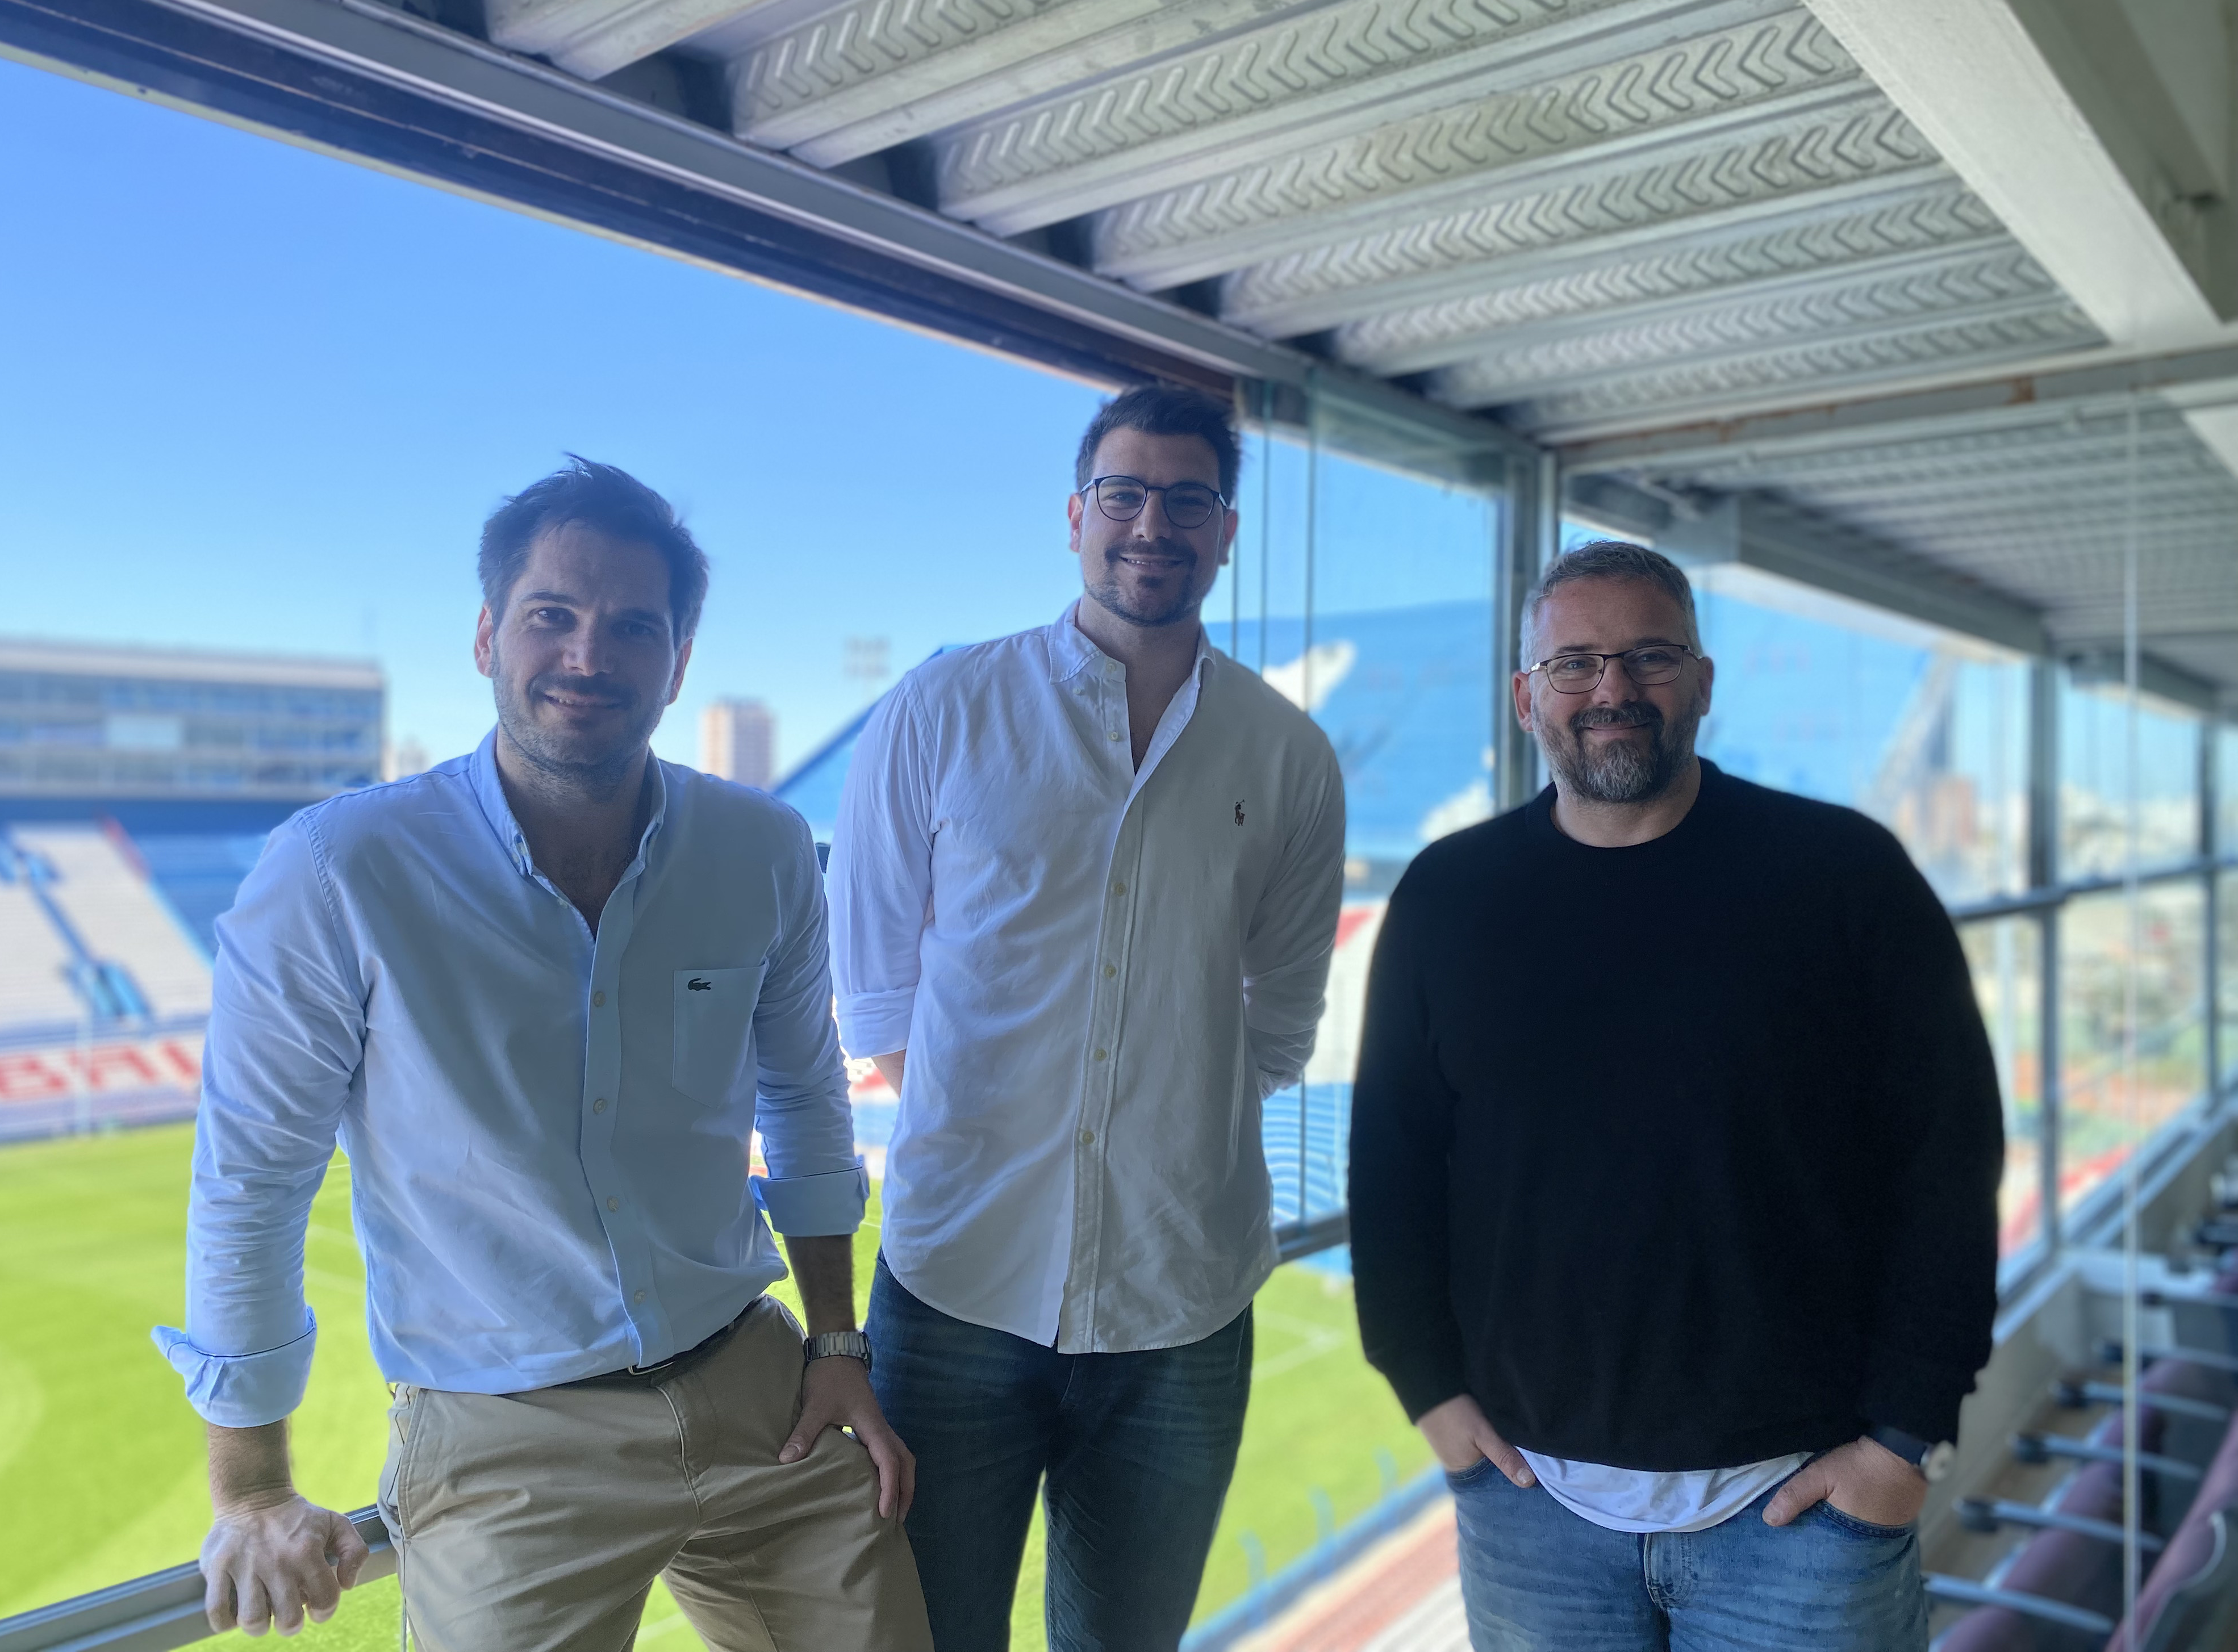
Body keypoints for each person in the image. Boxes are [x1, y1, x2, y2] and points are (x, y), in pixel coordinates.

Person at [153, 458, 932, 1650]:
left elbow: (807, 1103)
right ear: (486, 637)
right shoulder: (339, 871)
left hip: (759, 1390)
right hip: (505, 1435)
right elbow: (253, 1178)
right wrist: (252, 1488)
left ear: (676, 662)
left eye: (634, 627)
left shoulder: (764, 848)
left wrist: (836, 1344)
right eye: (551, 618)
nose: (589, 655)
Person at [1348, 539, 2003, 1651]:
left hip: (1800, 1515)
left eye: (1650, 656)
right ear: (1526, 697)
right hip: (1533, 1512)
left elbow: (1948, 1157)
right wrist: (1428, 1392)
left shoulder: (1845, 878)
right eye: (1577, 663)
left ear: (1702, 681)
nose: (1613, 689)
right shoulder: (1447, 899)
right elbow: (1393, 1163)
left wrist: (1904, 1443)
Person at [826, 384, 1347, 1651]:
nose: (1150, 522)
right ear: (1075, 516)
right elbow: (878, 999)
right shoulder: (943, 709)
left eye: (1186, 498)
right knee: (928, 1637)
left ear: (1227, 532)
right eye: (1123, 492)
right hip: (956, 1292)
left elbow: (1279, 1021)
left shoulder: (1286, 757)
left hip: (1182, 1303)